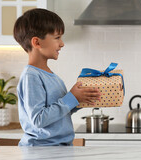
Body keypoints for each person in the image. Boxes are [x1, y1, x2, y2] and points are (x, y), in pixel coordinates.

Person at [13, 8, 101, 146]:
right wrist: (71, 98)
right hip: (41, 152)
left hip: (55, 148)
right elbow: (38, 119)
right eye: (57, 37)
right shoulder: (32, 76)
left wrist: (78, 100)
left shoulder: (49, 75)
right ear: (37, 42)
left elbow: (56, 115)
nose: (62, 43)